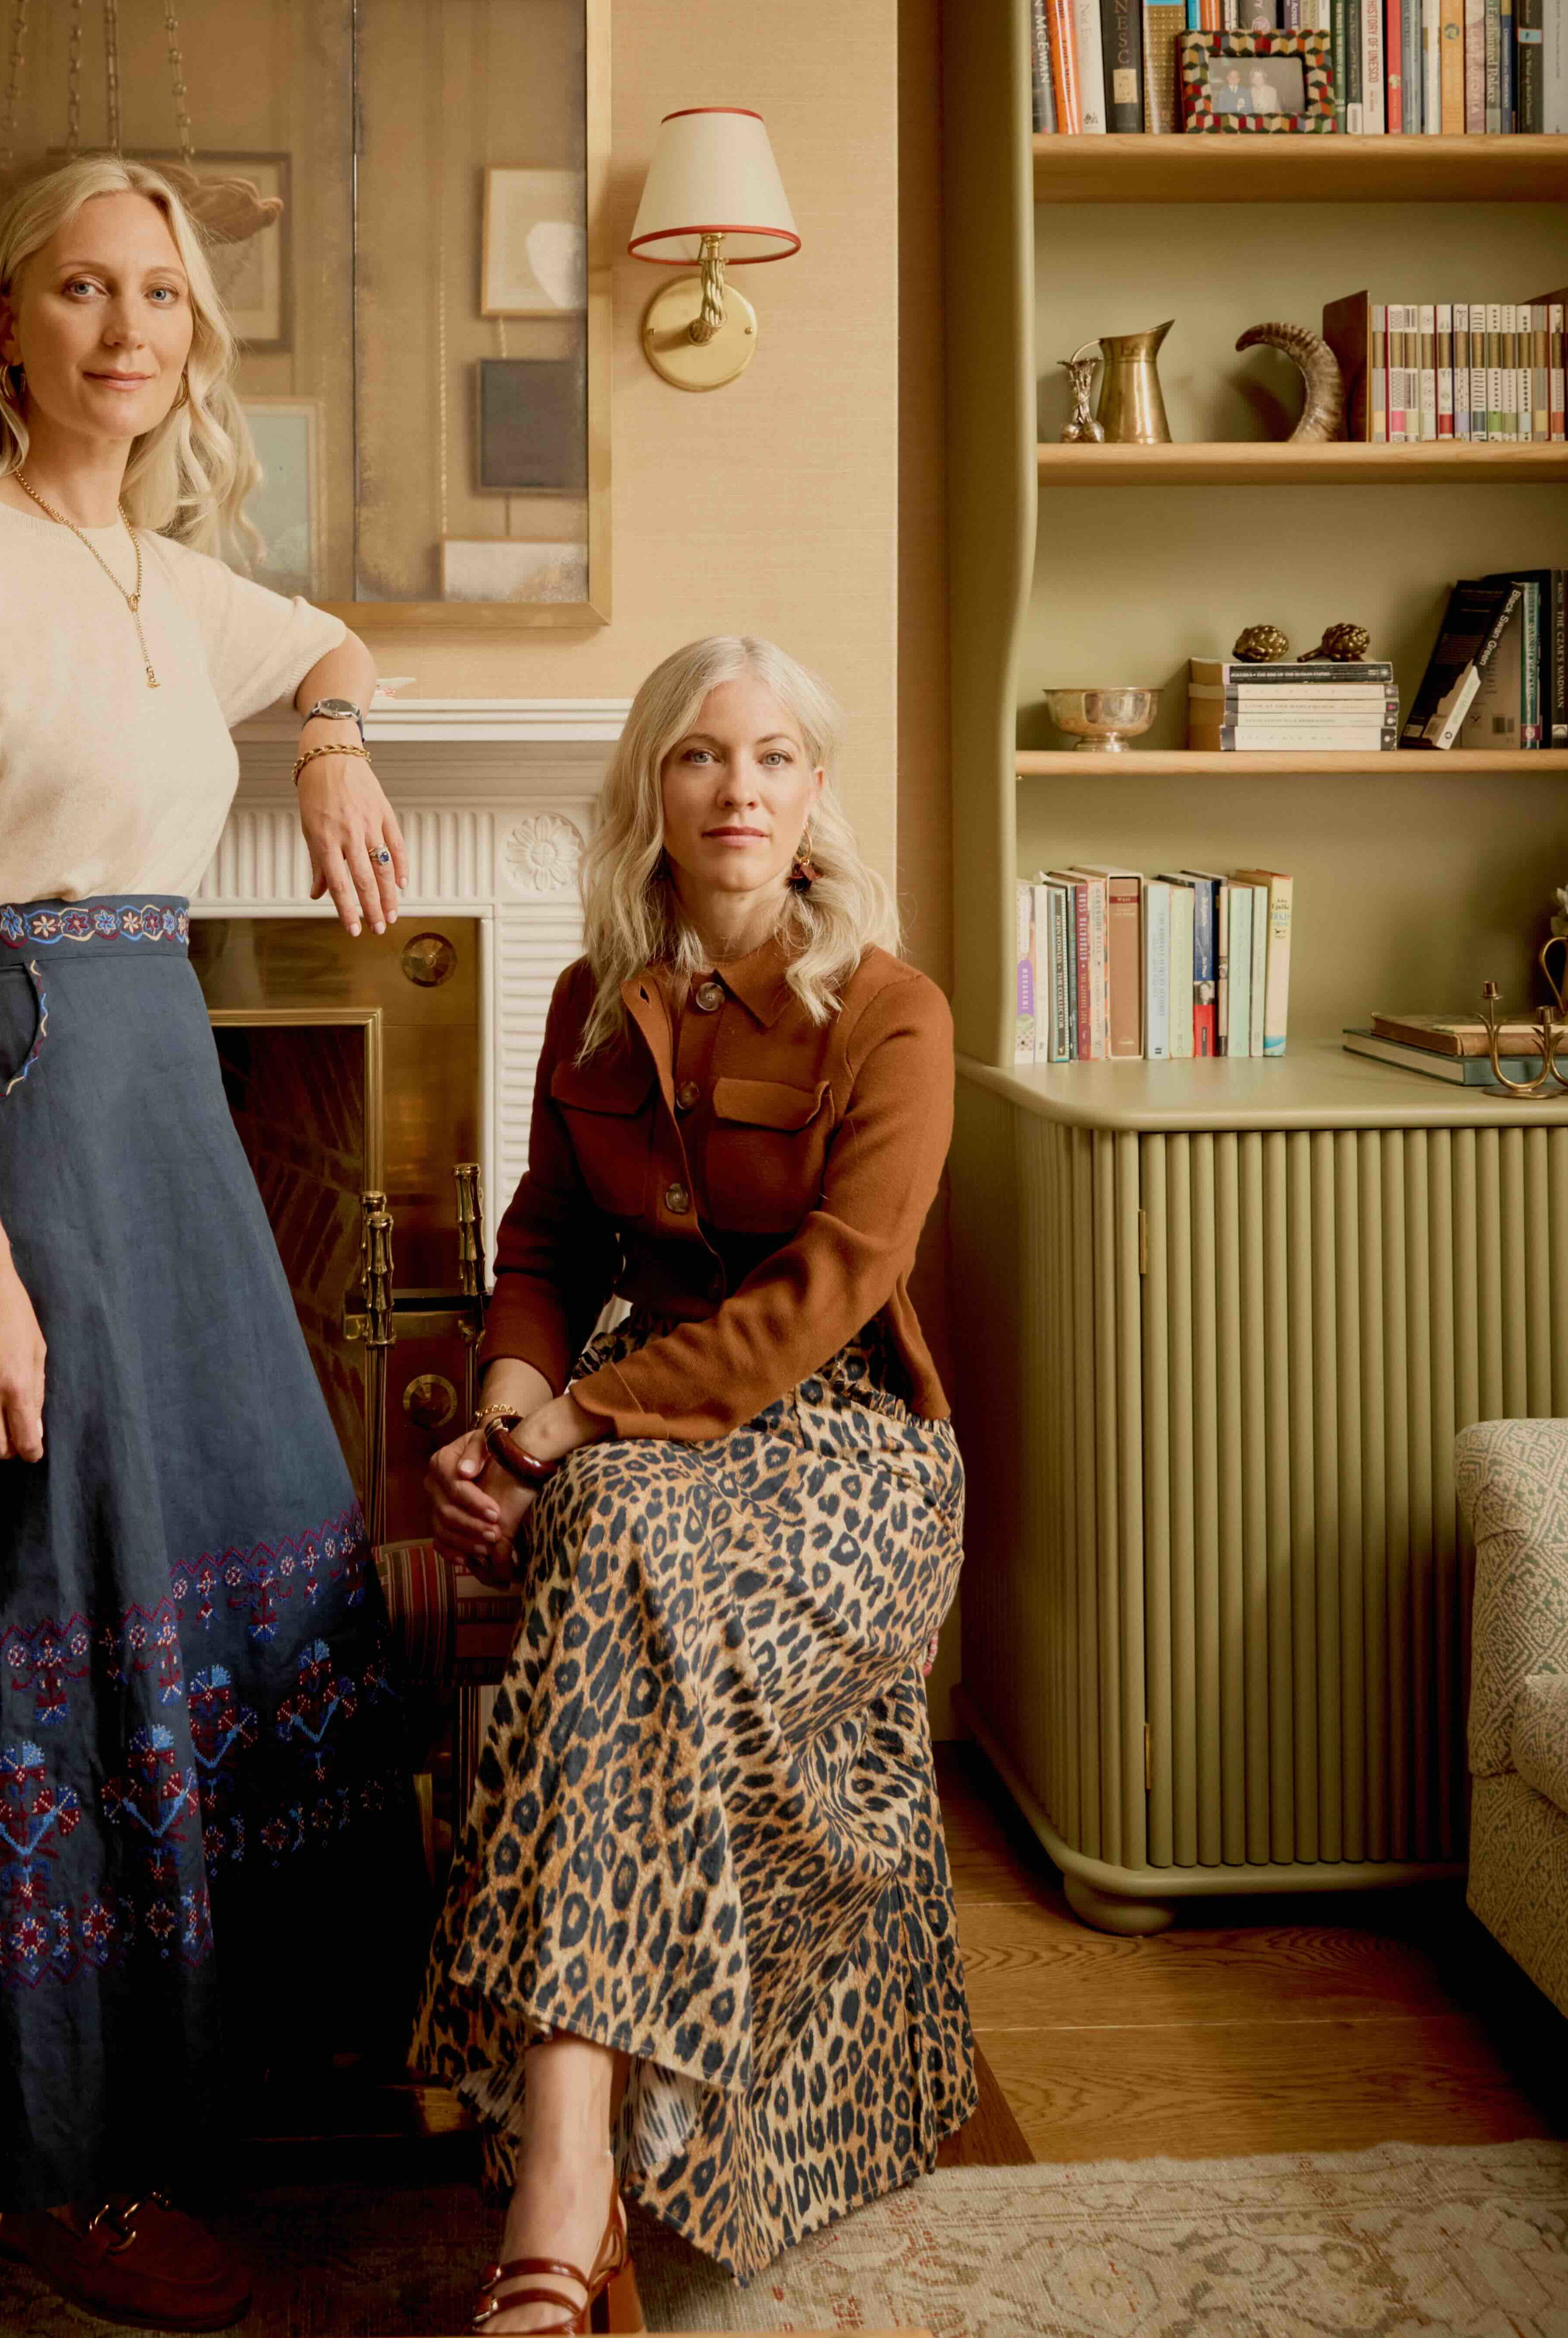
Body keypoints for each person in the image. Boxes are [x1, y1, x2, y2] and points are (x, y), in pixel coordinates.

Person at [0, 155, 415, 2338]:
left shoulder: (179, 581)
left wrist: (337, 735)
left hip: (162, 1099)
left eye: (156, 294)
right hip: (20, 1115)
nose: (121, 329)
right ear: (7, 325)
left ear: (195, 335)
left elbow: (336, 635)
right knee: (28, 1642)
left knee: (236, 1598)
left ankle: (136, 2140)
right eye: (78, 289)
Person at [415, 636, 977, 2325]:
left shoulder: (892, 1011)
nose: (740, 789)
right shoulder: (593, 1003)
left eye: (776, 758)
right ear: (649, 790)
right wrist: (500, 1415)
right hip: (628, 1443)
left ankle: (555, 2167)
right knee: (625, 1550)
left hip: (851, 1453)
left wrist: (566, 1429)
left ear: (814, 798)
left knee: (618, 1541)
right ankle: (577, 2159)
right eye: (702, 757)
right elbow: (543, 1238)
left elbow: (822, 1302)